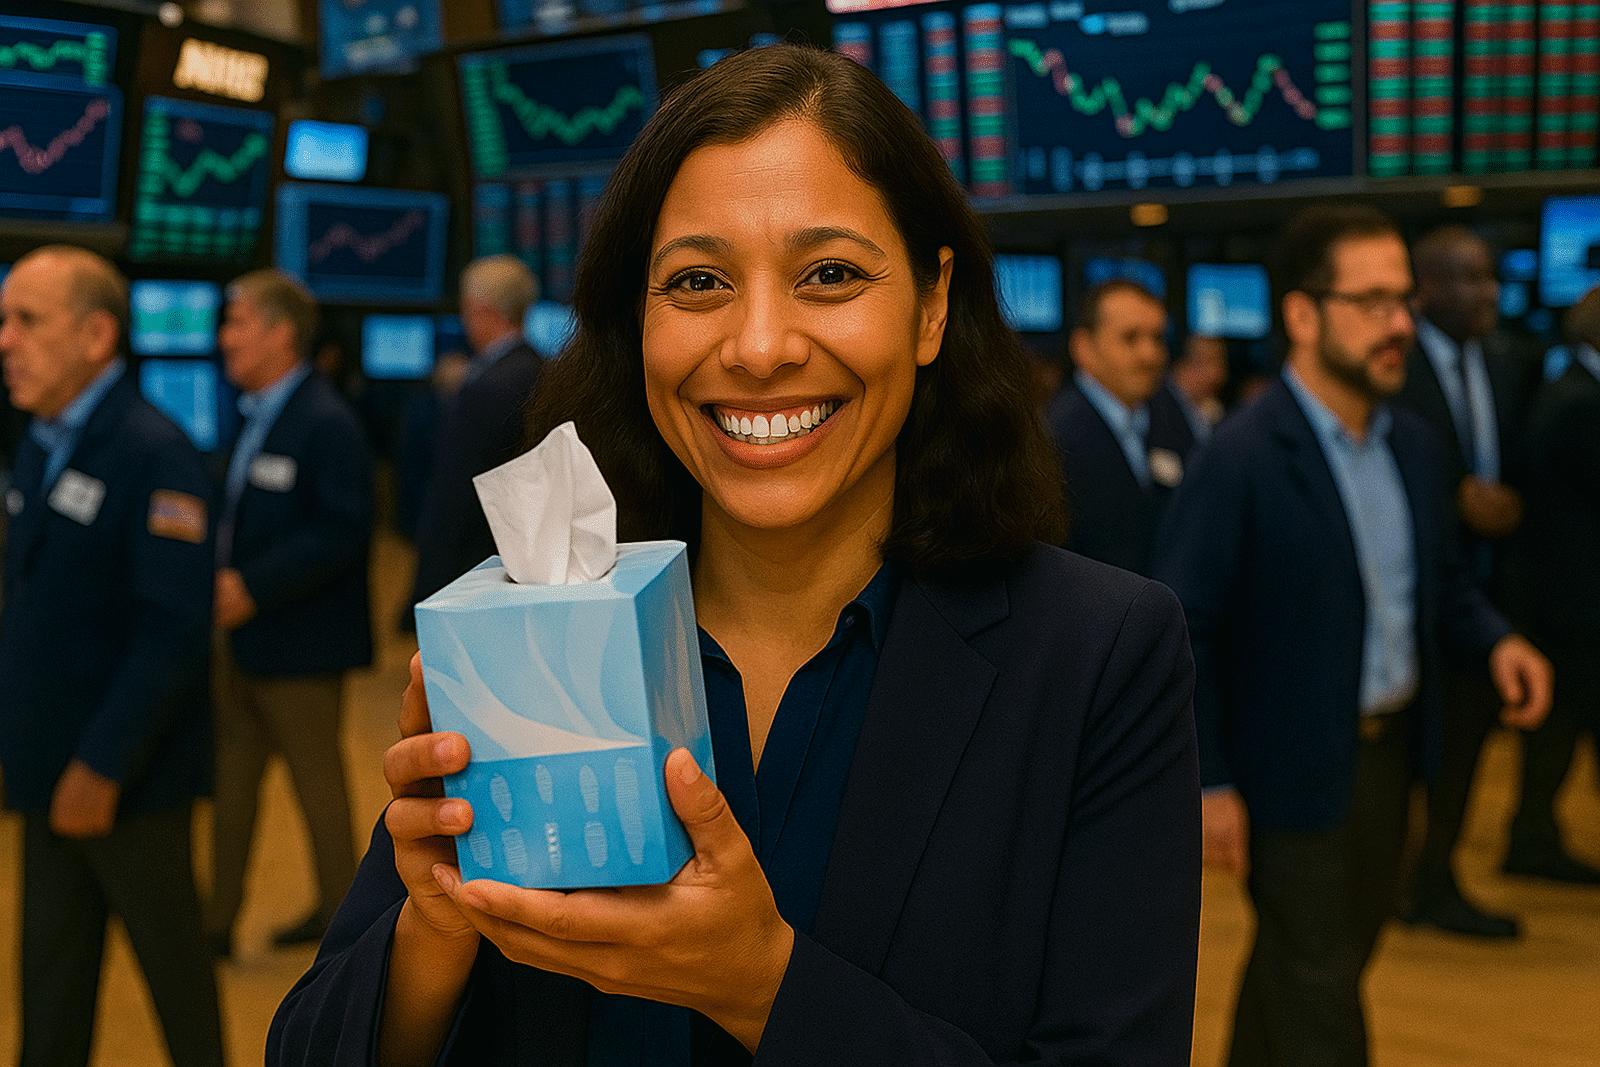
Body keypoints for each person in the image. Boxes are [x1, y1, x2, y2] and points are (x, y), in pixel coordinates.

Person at [269, 43, 1201, 1067]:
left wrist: (760, 984)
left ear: (931, 305)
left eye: (831, 274)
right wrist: (435, 922)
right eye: (699, 280)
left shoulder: (1097, 655)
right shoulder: (537, 630)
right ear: (637, 317)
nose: (759, 346)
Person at [1153, 203, 1552, 1067]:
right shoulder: (1243, 459)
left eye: (1402, 300)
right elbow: (1188, 628)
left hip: (1394, 757)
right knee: (1321, 996)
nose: (1400, 324)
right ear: (1303, 315)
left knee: (1319, 963)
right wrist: (1210, 780)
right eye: (1372, 302)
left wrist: (1495, 639)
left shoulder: (1411, 444)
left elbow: (1438, 583)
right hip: (1289, 771)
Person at [0, 245, 224, 1067]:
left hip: (126, 777)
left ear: (98, 335)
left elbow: (170, 631)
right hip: (47, 768)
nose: (5, 340)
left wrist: (101, 764)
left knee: (176, 981)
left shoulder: (152, 451)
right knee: (51, 983)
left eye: (26, 320)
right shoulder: (42, 440)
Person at [206, 268, 375, 957]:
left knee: (319, 788)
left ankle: (348, 923)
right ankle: (215, 921)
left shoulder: (324, 419)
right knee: (233, 780)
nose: (224, 339)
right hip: (243, 642)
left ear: (281, 334)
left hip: (301, 643)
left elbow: (342, 528)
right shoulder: (255, 412)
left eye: (237, 322)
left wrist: (254, 585)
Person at [1394, 224, 1543, 935]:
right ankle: (1411, 878)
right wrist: (1452, 494)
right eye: (1469, 278)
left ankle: (1433, 877)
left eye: (1489, 277)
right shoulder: (1396, 365)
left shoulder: (1508, 360)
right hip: (1415, 593)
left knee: (1464, 750)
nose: (1488, 291)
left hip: (1487, 590)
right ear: (1425, 289)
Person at [1504, 285, 1600, 885]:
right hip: (1576, 603)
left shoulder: (1567, 388)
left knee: (1556, 734)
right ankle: (1531, 840)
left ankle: (1532, 837)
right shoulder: (1581, 402)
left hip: (1563, 598)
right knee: (1557, 733)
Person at [407, 255, 544, 619]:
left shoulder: (483, 388)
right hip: (524, 557)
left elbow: (453, 495)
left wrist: (424, 590)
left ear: (480, 309)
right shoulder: (543, 369)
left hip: (473, 569)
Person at [1045, 278, 1196, 574]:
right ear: (1083, 348)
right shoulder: (1055, 438)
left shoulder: (1168, 413)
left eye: (1157, 338)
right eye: (1130, 338)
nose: (1150, 355)